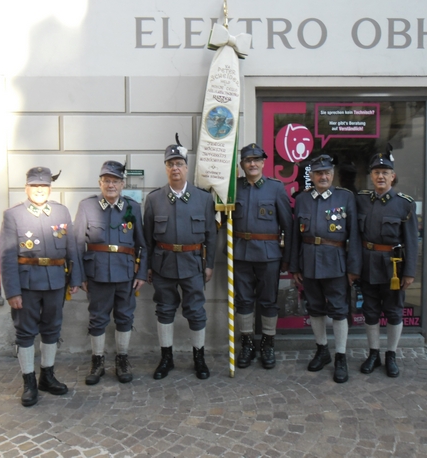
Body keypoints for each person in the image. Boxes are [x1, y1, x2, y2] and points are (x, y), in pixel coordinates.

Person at [0, 167, 81, 407]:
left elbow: (71, 248)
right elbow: (7, 256)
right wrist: (12, 291)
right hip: (26, 284)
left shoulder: (60, 212)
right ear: (26, 188)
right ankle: (29, 382)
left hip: (56, 281)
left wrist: (75, 278)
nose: (39, 191)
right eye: (34, 186)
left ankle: (47, 376)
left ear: (49, 188)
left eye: (43, 186)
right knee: (25, 332)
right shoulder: (13, 215)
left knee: (52, 329)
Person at [144, 138, 217, 380]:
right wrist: (147, 267)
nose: (175, 168)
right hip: (163, 264)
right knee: (164, 310)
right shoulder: (154, 200)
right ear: (166, 168)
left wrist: (209, 265)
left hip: (193, 263)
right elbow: (146, 239)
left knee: (196, 311)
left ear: (186, 167)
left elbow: (211, 236)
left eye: (179, 163)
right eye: (170, 164)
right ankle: (166, 358)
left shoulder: (203, 199)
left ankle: (199, 357)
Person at [74, 161, 147, 385]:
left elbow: (141, 243)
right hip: (97, 274)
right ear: (100, 183)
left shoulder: (132, 208)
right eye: (106, 180)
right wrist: (80, 277)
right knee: (97, 319)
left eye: (115, 181)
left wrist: (142, 273)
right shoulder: (87, 207)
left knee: (125, 317)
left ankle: (122, 359)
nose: (111, 185)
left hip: (126, 274)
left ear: (122, 184)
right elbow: (76, 244)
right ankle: (97, 361)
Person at [290, 155, 361, 383]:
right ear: (311, 176)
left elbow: (355, 237)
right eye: (319, 173)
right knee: (315, 308)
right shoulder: (302, 199)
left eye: (327, 172)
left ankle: (340, 356)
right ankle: (322, 350)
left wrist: (353, 268)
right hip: (309, 262)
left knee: (339, 310)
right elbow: (294, 236)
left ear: (333, 174)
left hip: (336, 262)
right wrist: (295, 265)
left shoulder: (345, 197)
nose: (324, 176)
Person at [356, 146, 419, 378]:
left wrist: (409, 272)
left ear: (393, 176)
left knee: (393, 311)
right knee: (370, 311)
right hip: (368, 263)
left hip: (393, 266)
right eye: (376, 172)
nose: (380, 176)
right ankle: (373, 353)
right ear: (371, 176)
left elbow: (412, 241)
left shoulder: (404, 204)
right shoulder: (361, 200)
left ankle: (391, 354)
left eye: (385, 172)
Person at [232, 143, 293, 369]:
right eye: (248, 160)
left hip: (269, 255)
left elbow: (288, 225)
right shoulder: (234, 188)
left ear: (263, 163)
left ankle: (268, 343)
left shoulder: (276, 188)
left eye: (257, 160)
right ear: (242, 165)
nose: (253, 164)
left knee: (268, 301)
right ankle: (247, 343)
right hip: (240, 254)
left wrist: (288, 258)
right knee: (244, 301)